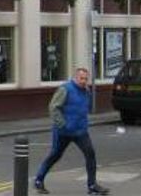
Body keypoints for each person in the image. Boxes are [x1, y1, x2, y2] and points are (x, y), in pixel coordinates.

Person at [33, 67, 110, 195]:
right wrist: (62, 124)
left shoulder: (86, 91)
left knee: (90, 154)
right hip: (63, 131)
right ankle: (38, 180)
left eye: (86, 79)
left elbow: (84, 108)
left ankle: (92, 185)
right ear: (75, 77)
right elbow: (53, 107)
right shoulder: (65, 89)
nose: (84, 81)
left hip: (80, 131)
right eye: (81, 78)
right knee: (55, 155)